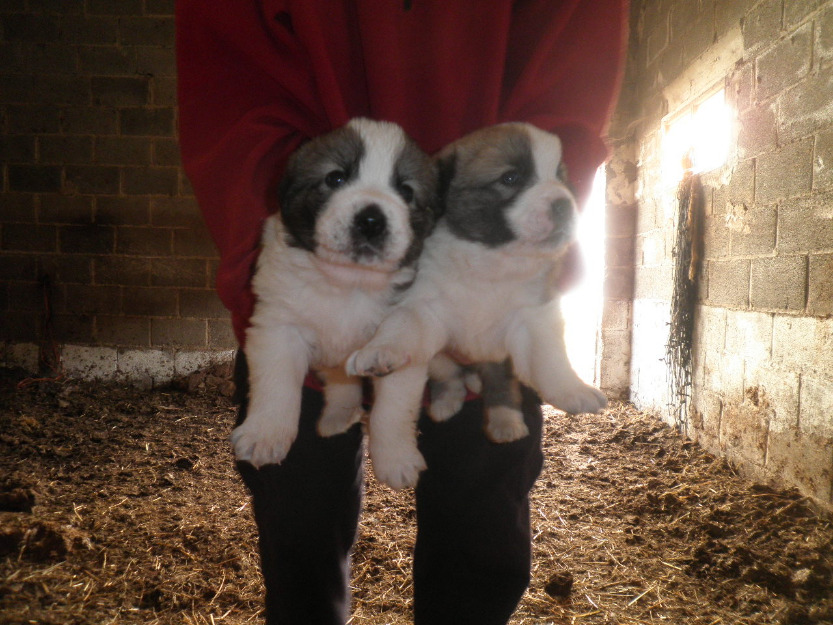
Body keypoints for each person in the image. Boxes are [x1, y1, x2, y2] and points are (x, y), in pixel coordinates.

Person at [176, 3, 628, 624]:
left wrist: (493, 259)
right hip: (318, 291)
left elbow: (563, 91)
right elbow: (232, 92)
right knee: (301, 534)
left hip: (476, 293)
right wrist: (281, 251)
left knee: (478, 542)